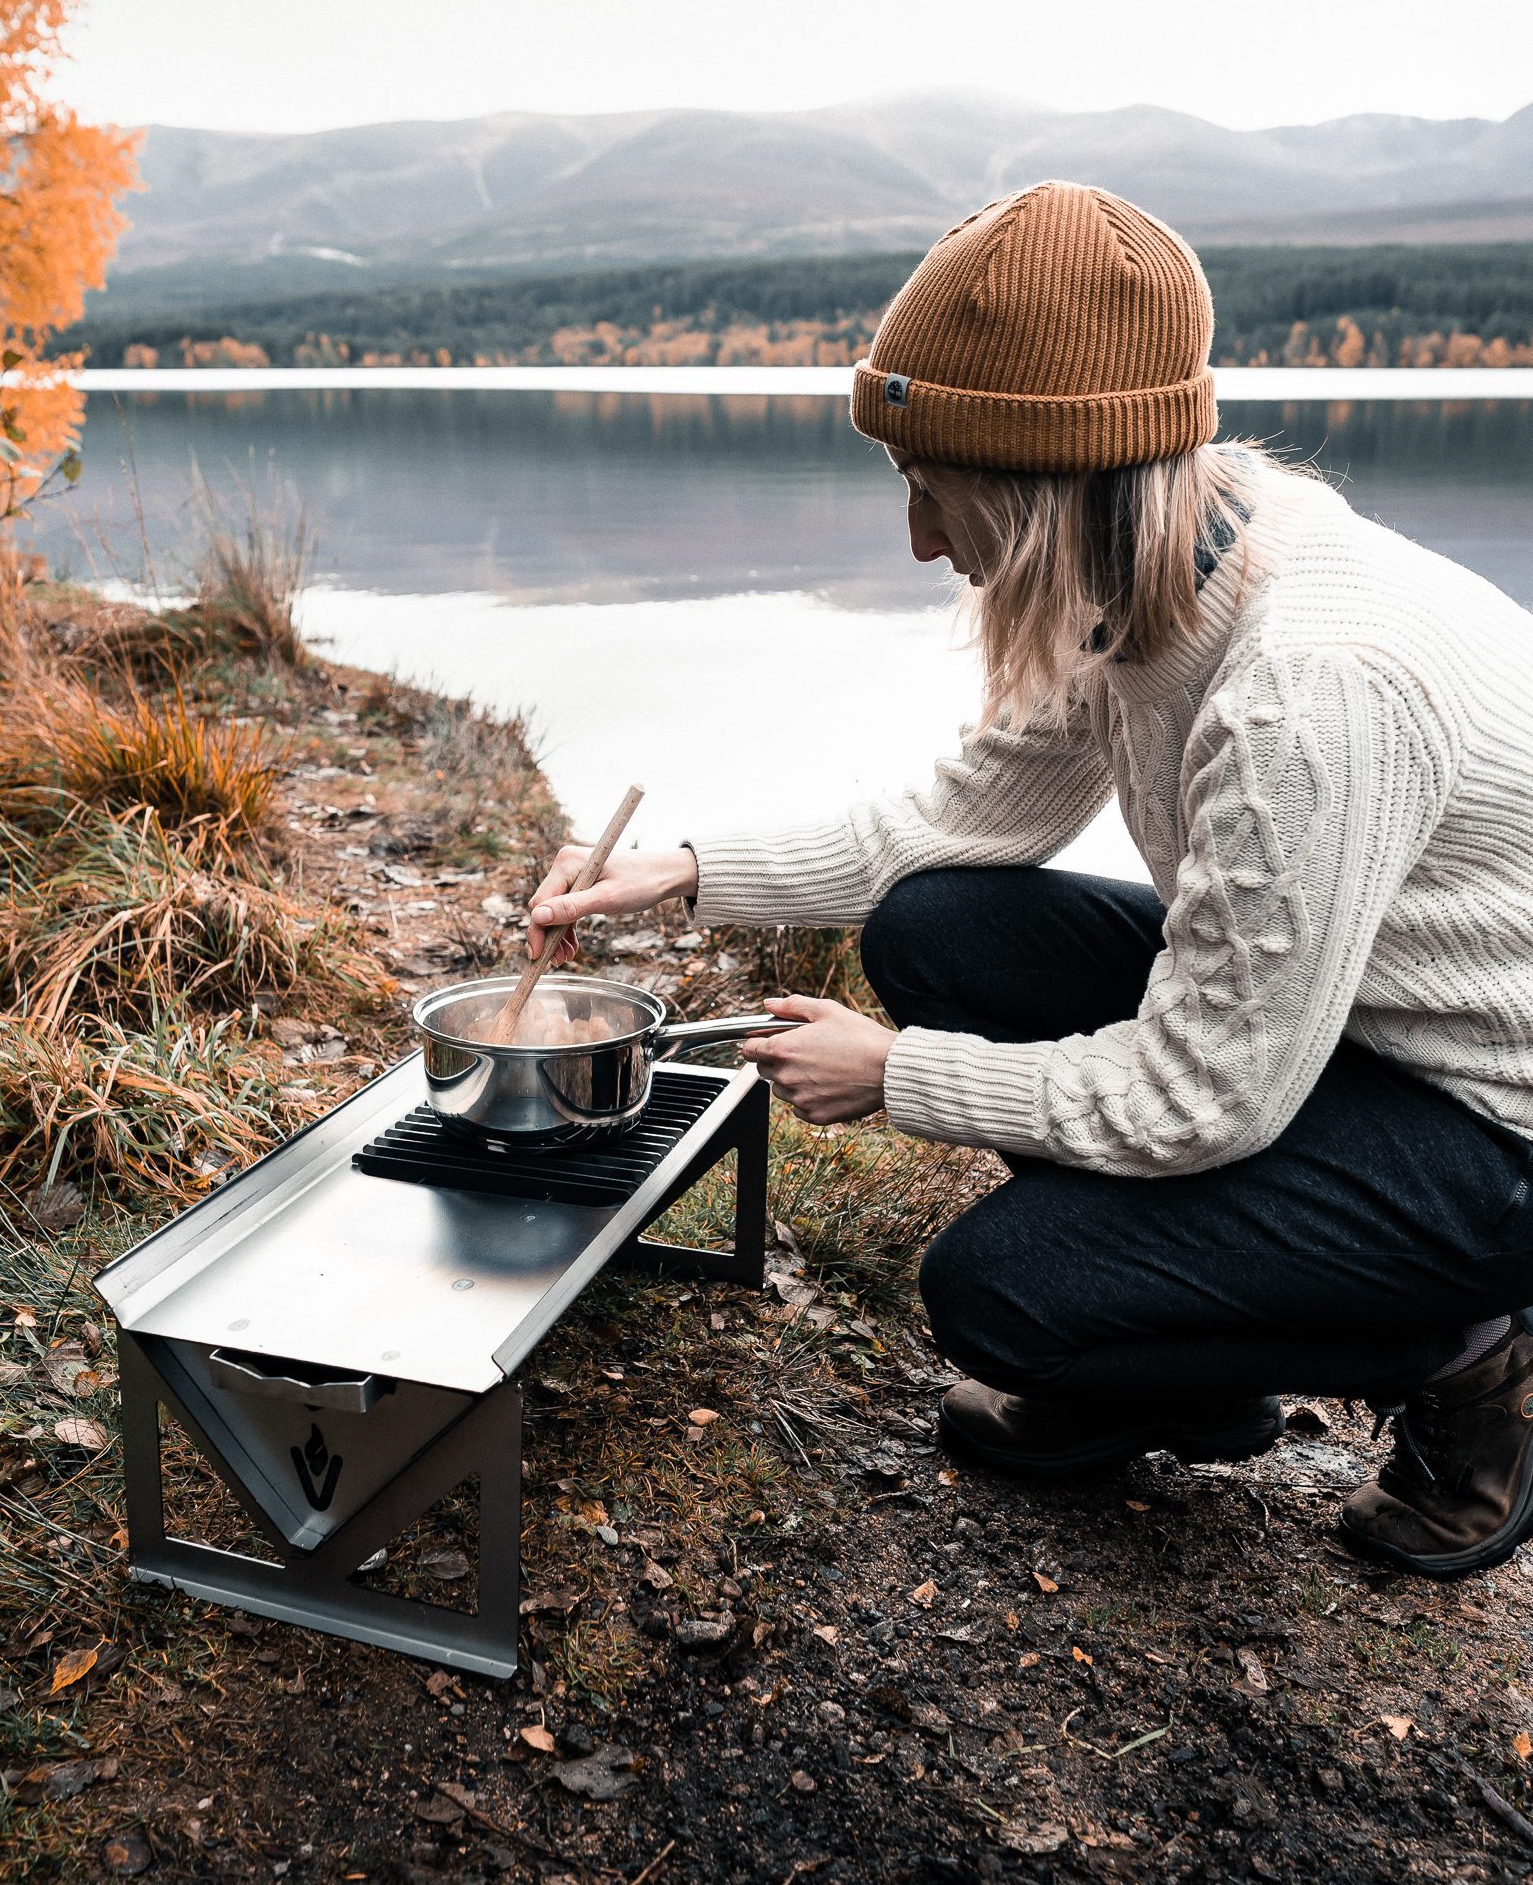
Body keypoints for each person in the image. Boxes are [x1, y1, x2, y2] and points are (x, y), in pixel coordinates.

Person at [527, 181, 1533, 1581]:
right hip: (1340, 1047)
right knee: (946, 922)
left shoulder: (1309, 692)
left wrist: (899, 1077)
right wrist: (682, 871)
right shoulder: (1146, 572)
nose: (923, 542)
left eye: (937, 495)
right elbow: (948, 825)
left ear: (1044, 486)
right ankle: (1182, 1378)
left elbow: (1208, 1094)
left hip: (1490, 1130)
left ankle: (1471, 1355)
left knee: (996, 1291)